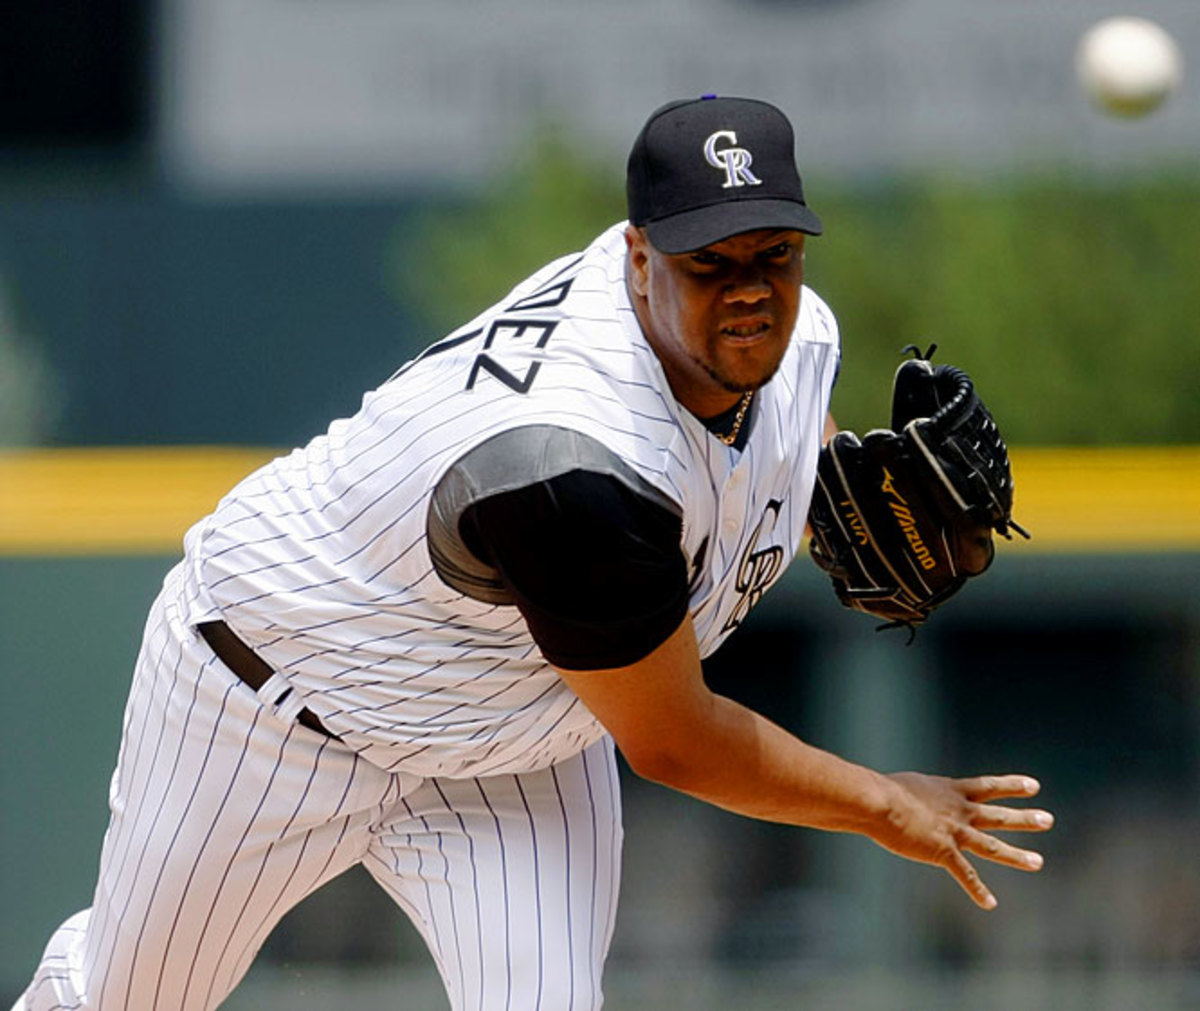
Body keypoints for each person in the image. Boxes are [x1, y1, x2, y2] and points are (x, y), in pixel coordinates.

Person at [14, 95, 1053, 1011]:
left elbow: (763, 448)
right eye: (711, 263)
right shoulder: (569, 463)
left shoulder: (795, 339)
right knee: (129, 1000)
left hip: (511, 731)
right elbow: (675, 741)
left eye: (773, 254)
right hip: (275, 697)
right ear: (638, 255)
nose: (750, 289)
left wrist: (838, 495)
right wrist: (882, 801)